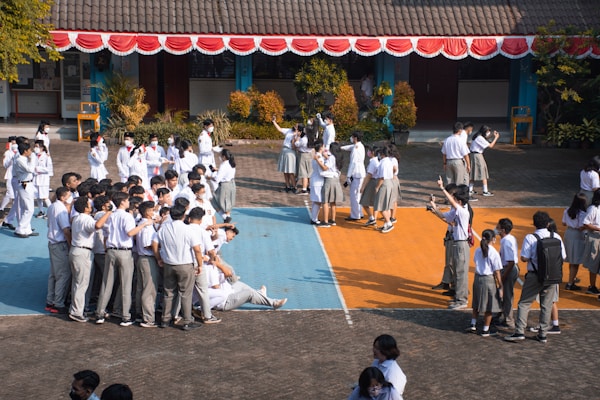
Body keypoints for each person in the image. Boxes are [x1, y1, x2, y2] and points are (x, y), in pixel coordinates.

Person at [504, 211, 566, 343]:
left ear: (534, 224)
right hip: (552, 276)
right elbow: (563, 256)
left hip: (534, 275)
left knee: (524, 303)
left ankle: (519, 331)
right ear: (548, 223)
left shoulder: (530, 238)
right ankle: (543, 334)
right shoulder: (556, 236)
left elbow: (524, 257)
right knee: (546, 305)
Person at [95, 192, 152, 326]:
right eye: (127, 200)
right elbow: (130, 233)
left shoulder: (111, 216)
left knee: (106, 283)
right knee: (126, 284)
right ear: (122, 202)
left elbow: (106, 234)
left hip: (111, 250)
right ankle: (125, 316)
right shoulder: (127, 216)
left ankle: (99, 313)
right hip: (125, 252)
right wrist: (144, 225)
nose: (128, 202)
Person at [153, 204, 209, 330]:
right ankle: (187, 321)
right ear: (184, 215)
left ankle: (165, 319)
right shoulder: (187, 229)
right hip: (185, 265)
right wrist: (200, 265)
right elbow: (197, 250)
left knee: (169, 292)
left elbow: (155, 244)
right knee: (185, 293)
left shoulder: (164, 229)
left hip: (169, 264)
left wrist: (159, 259)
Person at [68, 196, 112, 322]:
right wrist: (108, 212)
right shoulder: (85, 218)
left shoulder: (77, 218)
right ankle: (77, 312)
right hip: (82, 252)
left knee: (78, 282)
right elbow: (98, 225)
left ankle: (77, 309)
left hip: (76, 250)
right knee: (81, 283)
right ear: (85, 208)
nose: (91, 206)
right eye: (88, 204)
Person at [434, 177, 471, 309]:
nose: (452, 200)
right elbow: (444, 217)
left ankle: (462, 300)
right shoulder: (457, 211)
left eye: (455, 199)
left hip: (461, 244)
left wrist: (442, 188)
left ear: (459, 201)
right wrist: (434, 208)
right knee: (457, 271)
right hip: (457, 243)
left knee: (461, 272)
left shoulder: (463, 212)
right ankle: (458, 297)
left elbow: (452, 203)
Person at [465, 229, 503, 336]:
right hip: (488, 280)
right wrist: (501, 286)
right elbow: (497, 271)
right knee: (489, 306)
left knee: (476, 302)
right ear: (493, 239)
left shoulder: (478, 250)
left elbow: (476, 261)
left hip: (477, 279)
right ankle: (486, 330)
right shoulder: (494, 253)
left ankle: (473, 324)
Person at [45, 187, 73, 314]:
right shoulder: (60, 209)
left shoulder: (52, 206)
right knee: (63, 274)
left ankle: (50, 300)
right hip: (60, 244)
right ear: (63, 197)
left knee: (54, 274)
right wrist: (71, 244)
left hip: (52, 243)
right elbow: (66, 230)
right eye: (68, 195)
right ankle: (58, 303)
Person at [135, 201, 160, 327]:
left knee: (142, 287)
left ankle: (140, 313)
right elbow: (147, 244)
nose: (153, 212)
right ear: (146, 212)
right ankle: (148, 318)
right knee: (149, 289)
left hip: (143, 258)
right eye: (151, 210)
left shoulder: (145, 224)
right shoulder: (146, 226)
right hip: (147, 258)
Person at [496, 218, 519, 329]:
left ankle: (509, 320)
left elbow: (511, 262)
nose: (496, 229)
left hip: (509, 269)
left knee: (507, 295)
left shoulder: (506, 241)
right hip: (509, 268)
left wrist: (503, 276)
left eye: (498, 227)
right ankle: (503, 316)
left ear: (503, 230)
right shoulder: (510, 238)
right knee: (505, 294)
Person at [13, 142, 38, 238]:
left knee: (26, 208)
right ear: (25, 151)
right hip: (24, 184)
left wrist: (31, 158)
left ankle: (27, 230)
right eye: (29, 150)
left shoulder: (24, 159)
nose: (31, 151)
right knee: (29, 209)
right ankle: (20, 228)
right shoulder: (20, 160)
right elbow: (30, 169)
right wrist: (33, 159)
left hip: (28, 183)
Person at [563, 193, 587, 290]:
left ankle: (571, 279)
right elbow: (581, 227)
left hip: (569, 233)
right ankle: (570, 283)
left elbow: (563, 223)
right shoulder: (582, 214)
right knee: (575, 261)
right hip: (577, 235)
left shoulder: (567, 210)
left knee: (572, 259)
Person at [468, 125, 499, 197]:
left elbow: (486, 138)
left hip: (473, 155)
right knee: (483, 172)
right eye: (488, 131)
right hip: (478, 156)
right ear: (484, 131)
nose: (488, 133)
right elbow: (491, 145)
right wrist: (496, 138)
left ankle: (470, 189)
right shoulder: (480, 138)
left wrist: (492, 135)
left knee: (472, 172)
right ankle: (485, 191)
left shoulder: (477, 136)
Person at [341, 131, 366, 220]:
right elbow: (349, 147)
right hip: (360, 173)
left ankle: (355, 215)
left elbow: (353, 163)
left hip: (356, 174)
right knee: (358, 195)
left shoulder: (356, 148)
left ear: (355, 138)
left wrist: (348, 176)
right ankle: (360, 212)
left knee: (354, 195)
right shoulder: (360, 146)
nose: (351, 138)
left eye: (352, 137)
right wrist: (340, 147)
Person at [272, 117, 299, 192]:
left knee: (290, 171)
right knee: (285, 170)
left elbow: (295, 146)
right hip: (284, 150)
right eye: (295, 125)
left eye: (296, 126)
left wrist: (295, 137)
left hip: (290, 152)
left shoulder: (298, 135)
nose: (294, 127)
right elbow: (280, 129)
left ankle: (294, 187)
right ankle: (287, 186)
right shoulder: (289, 130)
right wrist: (274, 122)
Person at [319, 143, 343, 227]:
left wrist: (318, 161)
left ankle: (325, 221)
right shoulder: (338, 157)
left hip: (329, 180)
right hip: (336, 180)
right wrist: (326, 157)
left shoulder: (332, 157)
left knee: (325, 201)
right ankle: (332, 220)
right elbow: (332, 163)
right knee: (333, 201)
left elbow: (325, 167)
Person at [582, 190, 600, 297]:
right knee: (594, 262)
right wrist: (598, 229)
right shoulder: (593, 209)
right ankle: (592, 286)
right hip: (595, 238)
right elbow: (586, 223)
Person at [211, 149, 236, 223]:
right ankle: (227, 220)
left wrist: (210, 177)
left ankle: (225, 218)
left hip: (225, 186)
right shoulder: (232, 163)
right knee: (228, 204)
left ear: (224, 157)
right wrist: (218, 170)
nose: (220, 157)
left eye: (221, 156)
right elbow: (227, 171)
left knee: (214, 201)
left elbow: (217, 179)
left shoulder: (223, 165)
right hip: (232, 184)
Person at [373, 146, 395, 233]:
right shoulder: (389, 161)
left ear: (382, 154)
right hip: (389, 182)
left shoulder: (383, 163)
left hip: (384, 184)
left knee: (381, 205)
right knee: (386, 206)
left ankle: (389, 223)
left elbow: (382, 177)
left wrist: (377, 187)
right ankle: (386, 223)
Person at [359, 146, 380, 227]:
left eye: (369, 151)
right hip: (374, 181)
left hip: (372, 182)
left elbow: (369, 175)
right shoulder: (376, 161)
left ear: (373, 153)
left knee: (365, 201)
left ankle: (372, 218)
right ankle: (373, 218)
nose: (368, 152)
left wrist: (363, 186)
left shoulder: (373, 162)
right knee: (375, 203)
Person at [33, 140, 53, 218]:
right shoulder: (34, 156)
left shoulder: (46, 157)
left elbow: (49, 169)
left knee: (45, 197)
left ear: (41, 148)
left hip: (43, 180)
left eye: (37, 147)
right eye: (35, 146)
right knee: (38, 197)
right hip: (35, 179)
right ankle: (41, 211)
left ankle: (51, 212)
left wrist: (38, 169)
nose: (35, 148)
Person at [308, 141, 327, 225]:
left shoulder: (318, 155)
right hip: (318, 181)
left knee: (316, 201)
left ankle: (314, 217)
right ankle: (314, 219)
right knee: (318, 201)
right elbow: (322, 170)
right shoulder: (319, 157)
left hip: (316, 180)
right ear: (321, 147)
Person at [293, 123, 312, 195]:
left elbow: (296, 144)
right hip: (310, 155)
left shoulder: (304, 139)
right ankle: (310, 187)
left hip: (303, 155)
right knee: (310, 172)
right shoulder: (312, 138)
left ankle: (304, 189)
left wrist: (297, 138)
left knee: (304, 173)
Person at [0, 136, 17, 220]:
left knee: (14, 195)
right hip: (10, 176)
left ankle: (13, 211)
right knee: (10, 194)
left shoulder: (19, 152)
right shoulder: (8, 153)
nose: (14, 144)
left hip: (17, 176)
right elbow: (5, 165)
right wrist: (11, 160)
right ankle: (1, 209)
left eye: (15, 143)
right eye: (12, 143)